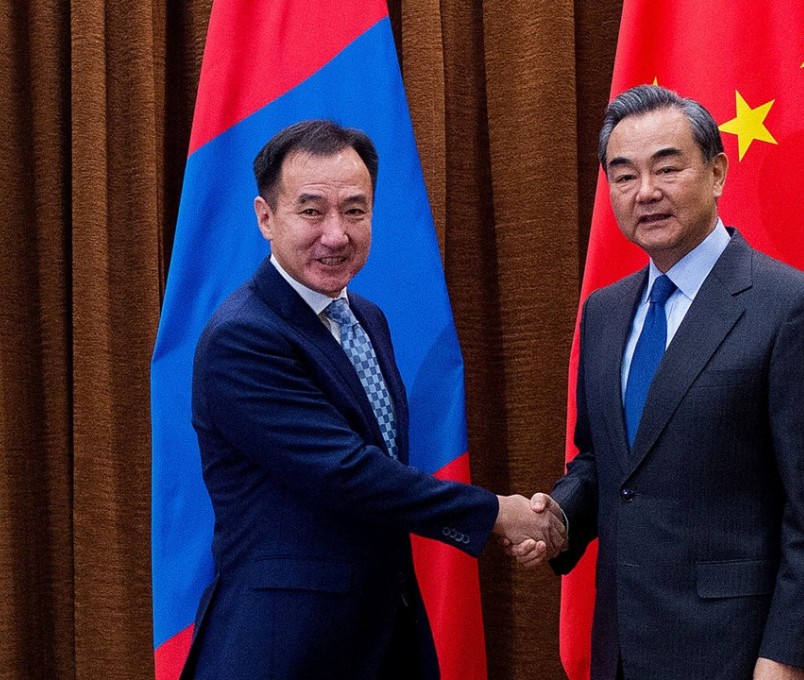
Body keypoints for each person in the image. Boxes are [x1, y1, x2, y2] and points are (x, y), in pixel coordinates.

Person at [181, 119, 565, 680]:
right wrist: (495, 515)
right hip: (284, 646)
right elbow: (346, 472)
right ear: (265, 217)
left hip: (380, 633)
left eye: (355, 211)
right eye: (312, 211)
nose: (335, 234)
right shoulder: (243, 336)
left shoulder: (367, 318)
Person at [516, 85, 804, 679]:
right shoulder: (604, 311)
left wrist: (785, 659)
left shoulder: (793, 308)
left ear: (718, 172)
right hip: (622, 649)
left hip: (735, 652)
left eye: (667, 168)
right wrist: (560, 518)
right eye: (623, 177)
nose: (645, 192)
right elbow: (605, 462)